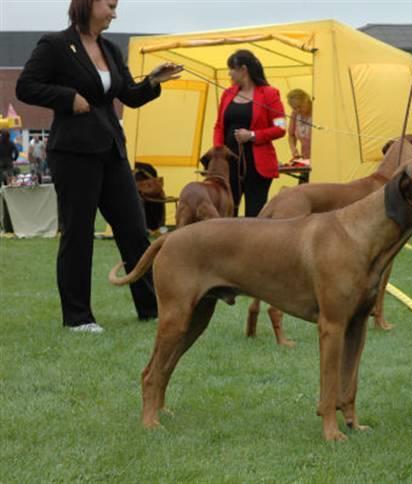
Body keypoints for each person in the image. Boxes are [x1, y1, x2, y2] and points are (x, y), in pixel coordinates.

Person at [15, 0, 183, 333]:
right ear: (89, 4)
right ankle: (78, 317)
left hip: (111, 150)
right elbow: (26, 87)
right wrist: (67, 98)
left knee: (135, 230)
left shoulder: (110, 49)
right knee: (78, 234)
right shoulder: (56, 45)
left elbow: (130, 95)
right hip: (73, 152)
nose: (114, 13)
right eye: (110, 5)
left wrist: (152, 81)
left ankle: (151, 308)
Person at [213, 49, 286, 217]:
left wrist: (252, 135)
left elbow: (280, 128)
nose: (229, 73)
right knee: (227, 213)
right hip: (229, 165)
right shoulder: (227, 93)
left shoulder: (270, 94)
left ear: (243, 70)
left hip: (257, 166)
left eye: (232, 68)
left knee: (254, 215)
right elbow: (218, 126)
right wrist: (218, 151)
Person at [286, 89, 312, 162]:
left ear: (307, 100)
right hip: (306, 159)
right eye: (294, 108)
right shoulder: (295, 114)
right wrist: (293, 149)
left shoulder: (318, 111)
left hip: (321, 157)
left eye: (300, 106)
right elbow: (291, 135)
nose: (298, 110)